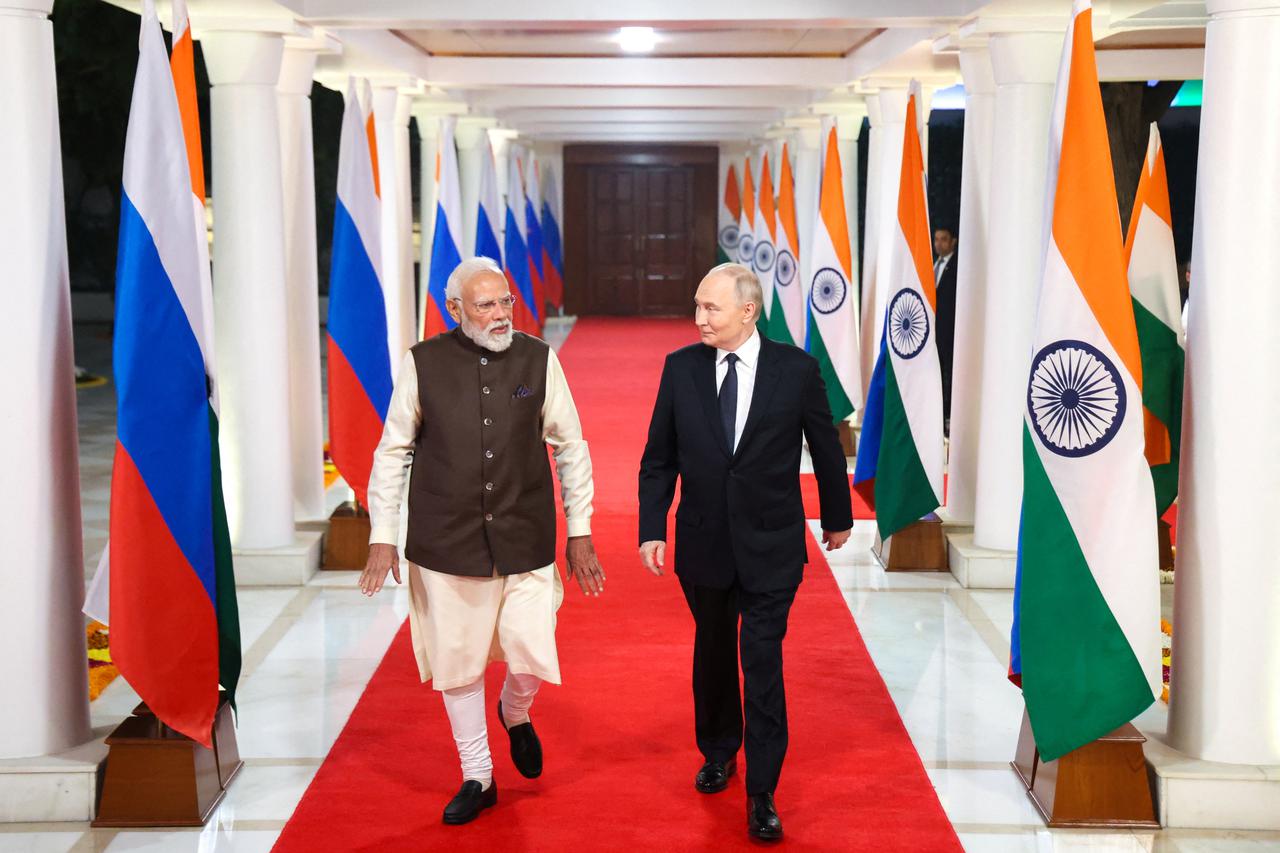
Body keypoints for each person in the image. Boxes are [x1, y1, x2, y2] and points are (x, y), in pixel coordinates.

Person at [359, 257, 605, 826]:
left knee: (531, 648)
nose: (500, 315)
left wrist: (581, 529)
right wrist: (382, 536)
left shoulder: (539, 359)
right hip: (446, 541)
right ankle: (479, 775)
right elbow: (393, 451)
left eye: (506, 303)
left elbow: (572, 446)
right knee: (460, 661)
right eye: (485, 305)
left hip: (525, 534)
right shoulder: (423, 363)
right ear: (455, 310)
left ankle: (515, 710)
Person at [637, 263, 853, 841]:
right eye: (698, 306)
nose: (699, 317)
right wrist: (652, 526)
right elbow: (659, 455)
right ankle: (718, 751)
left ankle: (763, 790)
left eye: (711, 308)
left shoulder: (797, 370)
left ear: (747, 311)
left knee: (761, 659)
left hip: (772, 544)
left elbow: (825, 449)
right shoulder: (680, 369)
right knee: (712, 652)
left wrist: (837, 517)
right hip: (704, 541)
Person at [932, 226, 958, 431]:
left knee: (949, 373)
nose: (939, 243)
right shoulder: (934, 264)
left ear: (953, 242)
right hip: (935, 333)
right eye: (936, 239)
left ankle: (948, 415)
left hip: (950, 333)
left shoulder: (957, 267)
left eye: (944, 239)